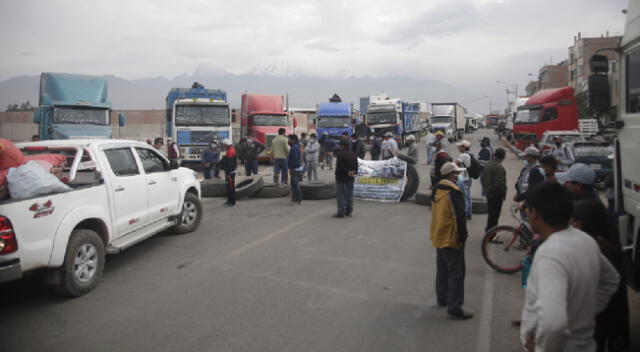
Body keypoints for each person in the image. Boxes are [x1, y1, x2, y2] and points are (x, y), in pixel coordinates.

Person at [520, 182, 619, 352]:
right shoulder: (585, 239)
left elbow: (554, 324)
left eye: (527, 210)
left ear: (534, 213)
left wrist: (541, 348)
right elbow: (611, 279)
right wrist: (584, 313)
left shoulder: (550, 254)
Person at [571, 200, 630, 352]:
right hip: (604, 320)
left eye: (576, 221)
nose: (572, 225)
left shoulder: (597, 249)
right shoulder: (604, 243)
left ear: (584, 223)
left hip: (597, 323)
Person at [430, 162, 473, 320]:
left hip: (438, 234)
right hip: (451, 236)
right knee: (456, 273)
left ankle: (443, 298)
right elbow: (460, 217)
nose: (458, 176)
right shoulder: (454, 192)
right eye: (456, 173)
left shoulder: (437, 188)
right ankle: (454, 306)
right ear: (451, 175)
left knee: (442, 269)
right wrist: (463, 236)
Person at [480, 148, 507, 234]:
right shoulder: (499, 167)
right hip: (496, 195)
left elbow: (482, 178)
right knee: (494, 216)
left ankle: (488, 232)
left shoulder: (488, 164)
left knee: (491, 215)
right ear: (503, 157)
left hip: (489, 193)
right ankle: (491, 235)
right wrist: (503, 194)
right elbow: (500, 184)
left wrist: (486, 189)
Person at [333, 136, 358, 218]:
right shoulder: (353, 153)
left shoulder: (340, 154)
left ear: (343, 146)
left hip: (342, 178)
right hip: (351, 177)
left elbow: (340, 167)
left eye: (340, 145)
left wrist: (346, 172)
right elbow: (356, 165)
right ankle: (349, 211)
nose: (339, 147)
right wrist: (353, 171)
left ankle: (341, 212)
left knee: (341, 196)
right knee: (349, 196)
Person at [455, 140, 473, 219]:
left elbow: (456, 164)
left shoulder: (463, 155)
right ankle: (469, 213)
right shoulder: (469, 154)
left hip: (464, 179)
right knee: (468, 197)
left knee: (464, 198)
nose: (458, 148)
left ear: (464, 147)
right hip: (468, 178)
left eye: (460, 146)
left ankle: (464, 214)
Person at [287, 134, 304, 205]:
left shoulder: (294, 147)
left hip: (295, 169)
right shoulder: (296, 146)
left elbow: (295, 159)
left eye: (289, 139)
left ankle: (298, 198)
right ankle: (295, 197)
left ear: (293, 140)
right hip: (297, 168)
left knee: (295, 184)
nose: (288, 140)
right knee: (293, 184)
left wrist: (291, 168)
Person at [220, 139, 237, 207]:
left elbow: (230, 164)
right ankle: (229, 200)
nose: (223, 146)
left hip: (230, 172)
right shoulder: (230, 150)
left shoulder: (230, 151)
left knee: (231, 187)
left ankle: (232, 202)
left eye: (224, 145)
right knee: (228, 186)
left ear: (226, 145)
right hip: (230, 171)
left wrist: (228, 174)